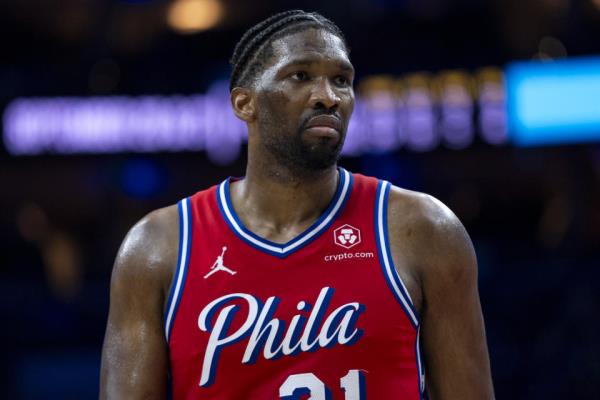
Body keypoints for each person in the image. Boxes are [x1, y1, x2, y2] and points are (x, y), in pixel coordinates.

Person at [100, 10, 494, 399]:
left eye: (341, 80)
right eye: (301, 76)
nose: (328, 97)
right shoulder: (158, 248)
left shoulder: (422, 229)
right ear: (243, 103)